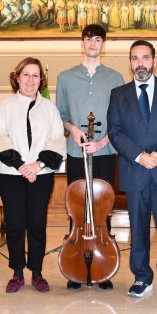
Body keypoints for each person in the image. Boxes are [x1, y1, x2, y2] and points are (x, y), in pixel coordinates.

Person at [107, 40, 157, 300]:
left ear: (154, 60)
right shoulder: (118, 94)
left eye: (144, 58)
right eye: (134, 58)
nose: (140, 63)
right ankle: (141, 277)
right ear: (130, 63)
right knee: (138, 228)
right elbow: (115, 132)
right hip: (135, 169)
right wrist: (140, 156)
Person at [56, 23, 124, 290]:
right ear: (81, 44)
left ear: (103, 45)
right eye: (88, 39)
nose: (93, 44)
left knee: (102, 209)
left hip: (105, 152)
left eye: (98, 40)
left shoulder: (116, 78)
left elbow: (119, 119)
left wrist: (104, 140)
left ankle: (103, 268)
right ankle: (75, 266)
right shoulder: (65, 77)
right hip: (77, 152)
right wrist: (73, 130)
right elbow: (61, 115)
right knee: (77, 209)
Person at [0, 58, 65, 294]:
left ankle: (38, 273)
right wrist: (23, 166)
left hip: (41, 174)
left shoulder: (50, 108)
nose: (31, 80)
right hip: (10, 174)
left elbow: (57, 138)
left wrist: (38, 164)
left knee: (36, 223)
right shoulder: (5, 105)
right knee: (15, 223)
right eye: (26, 75)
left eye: (35, 75)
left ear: (41, 80)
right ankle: (17, 272)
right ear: (17, 77)